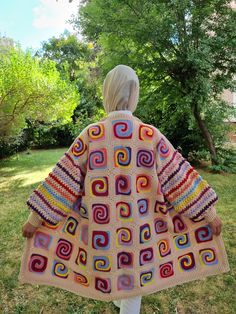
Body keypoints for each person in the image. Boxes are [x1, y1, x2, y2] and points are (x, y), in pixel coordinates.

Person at [21, 65, 225, 314]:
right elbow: (178, 178)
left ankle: (120, 300)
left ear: (108, 93)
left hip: (102, 231)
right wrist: (209, 214)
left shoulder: (92, 134)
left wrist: (34, 220)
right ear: (134, 94)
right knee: (133, 284)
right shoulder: (149, 135)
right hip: (142, 233)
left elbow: (63, 180)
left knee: (122, 281)